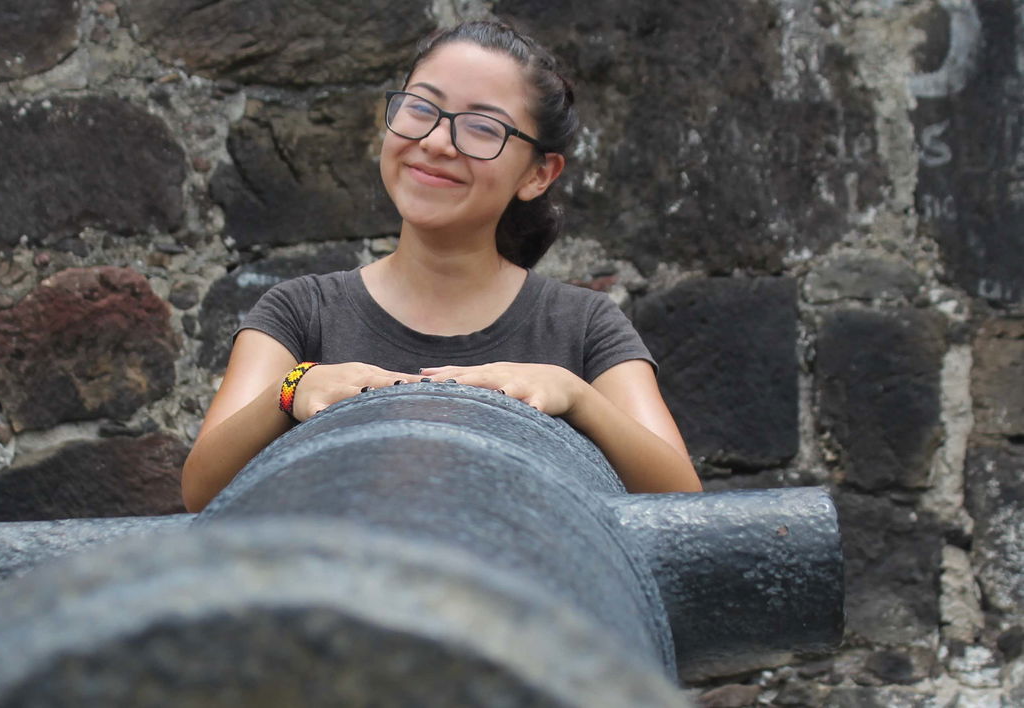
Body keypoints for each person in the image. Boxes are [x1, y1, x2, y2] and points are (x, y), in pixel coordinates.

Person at [182, 20, 702, 512]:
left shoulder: (583, 325)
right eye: (420, 108)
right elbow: (201, 491)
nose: (434, 142)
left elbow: (681, 499)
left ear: (539, 174)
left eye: (482, 128)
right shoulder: (301, 311)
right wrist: (292, 389)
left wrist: (578, 396)